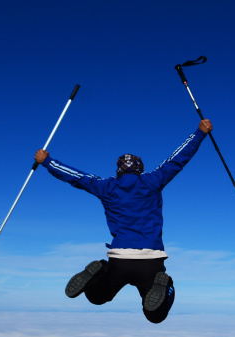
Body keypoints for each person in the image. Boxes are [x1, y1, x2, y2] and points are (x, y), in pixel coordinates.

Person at [35, 119, 212, 323]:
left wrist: (47, 161)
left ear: (118, 170)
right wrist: (200, 133)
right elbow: (176, 160)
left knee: (97, 297)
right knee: (156, 315)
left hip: (119, 260)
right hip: (151, 261)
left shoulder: (106, 187)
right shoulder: (152, 182)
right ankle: (164, 284)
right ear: (140, 169)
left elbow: (77, 177)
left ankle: (100, 272)